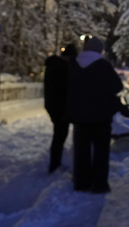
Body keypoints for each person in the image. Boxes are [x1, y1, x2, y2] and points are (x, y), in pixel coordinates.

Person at [66, 37, 129, 193]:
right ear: (99, 50)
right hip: (101, 116)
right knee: (101, 151)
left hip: (80, 117)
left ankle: (81, 182)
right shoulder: (103, 66)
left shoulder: (74, 65)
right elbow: (116, 86)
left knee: (81, 150)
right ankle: (99, 184)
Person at [44, 43, 78, 173]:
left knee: (59, 135)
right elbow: (65, 89)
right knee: (60, 135)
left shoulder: (53, 65)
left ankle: (55, 163)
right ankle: (54, 165)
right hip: (59, 107)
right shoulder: (61, 68)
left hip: (53, 106)